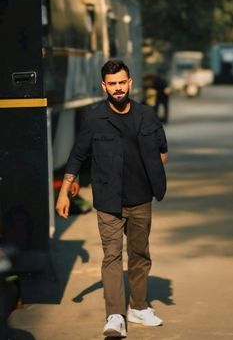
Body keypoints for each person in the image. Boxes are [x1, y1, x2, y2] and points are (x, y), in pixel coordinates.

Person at [56, 60, 168, 338]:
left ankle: (139, 307)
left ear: (130, 82)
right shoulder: (95, 119)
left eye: (122, 82)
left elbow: (162, 150)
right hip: (109, 200)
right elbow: (77, 155)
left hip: (141, 198)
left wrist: (150, 172)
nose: (117, 88)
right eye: (112, 84)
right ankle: (115, 315)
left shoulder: (147, 115)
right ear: (103, 86)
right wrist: (64, 191)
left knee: (140, 255)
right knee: (112, 256)